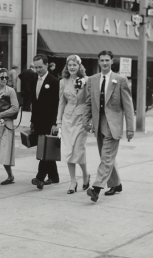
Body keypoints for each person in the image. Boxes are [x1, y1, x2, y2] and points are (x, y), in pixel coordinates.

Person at [83, 50, 134, 203]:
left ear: (112, 61)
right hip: (99, 124)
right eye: (102, 60)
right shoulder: (92, 80)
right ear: (98, 62)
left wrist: (130, 128)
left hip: (114, 125)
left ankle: (96, 188)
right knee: (107, 157)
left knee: (106, 157)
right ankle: (116, 184)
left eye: (107, 60)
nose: (104, 63)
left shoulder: (120, 80)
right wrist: (86, 121)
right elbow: (88, 103)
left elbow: (128, 106)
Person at [53, 55, 89, 194]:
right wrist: (58, 121)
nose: (72, 67)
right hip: (68, 119)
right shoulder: (63, 82)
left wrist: (89, 119)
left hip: (81, 119)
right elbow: (61, 103)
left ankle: (85, 174)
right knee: (68, 152)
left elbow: (89, 101)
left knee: (78, 150)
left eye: (74, 65)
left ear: (79, 66)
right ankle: (73, 181)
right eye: (69, 65)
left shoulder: (86, 80)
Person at [30, 54, 60, 189]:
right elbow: (34, 104)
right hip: (38, 121)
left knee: (45, 149)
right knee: (45, 148)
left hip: (49, 121)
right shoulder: (33, 80)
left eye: (40, 67)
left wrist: (55, 123)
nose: (38, 70)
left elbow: (56, 104)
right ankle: (54, 176)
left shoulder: (54, 81)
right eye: (36, 67)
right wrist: (32, 121)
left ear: (47, 65)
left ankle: (39, 177)